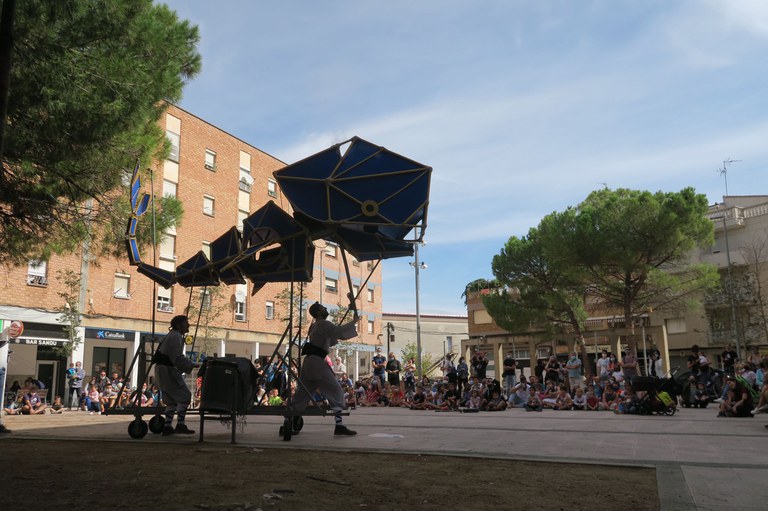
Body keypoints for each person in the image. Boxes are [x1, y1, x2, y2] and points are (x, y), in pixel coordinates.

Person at [293, 302, 358, 435]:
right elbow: (339, 333)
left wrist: (336, 332)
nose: (326, 309)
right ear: (318, 312)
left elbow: (331, 339)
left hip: (309, 362)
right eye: (323, 308)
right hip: (317, 362)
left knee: (302, 393)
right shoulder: (323, 324)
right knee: (337, 391)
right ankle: (339, 425)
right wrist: (354, 321)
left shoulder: (315, 325)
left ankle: (290, 419)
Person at [154, 315, 200, 436]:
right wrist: (192, 364)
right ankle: (180, 425)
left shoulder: (172, 335)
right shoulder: (176, 336)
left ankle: (167, 426)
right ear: (179, 325)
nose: (188, 325)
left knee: (171, 401)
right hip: (167, 370)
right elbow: (176, 358)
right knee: (185, 396)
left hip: (163, 369)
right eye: (186, 323)